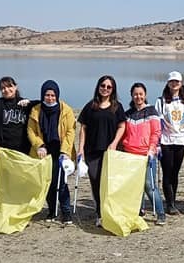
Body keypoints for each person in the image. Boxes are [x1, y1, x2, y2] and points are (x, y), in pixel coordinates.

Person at [77, 75, 126, 227]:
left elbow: (122, 126)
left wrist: (114, 143)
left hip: (110, 151)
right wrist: (80, 149)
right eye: (103, 86)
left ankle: (109, 211)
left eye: (109, 87)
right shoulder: (90, 106)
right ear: (98, 87)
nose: (105, 89)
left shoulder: (117, 107)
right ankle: (99, 212)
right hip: (92, 151)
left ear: (113, 89)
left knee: (110, 182)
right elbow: (83, 128)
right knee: (95, 181)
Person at [27, 80, 76, 224]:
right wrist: (39, 145)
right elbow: (31, 131)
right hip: (43, 153)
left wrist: (65, 151)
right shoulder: (36, 110)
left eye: (53, 95)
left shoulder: (66, 110)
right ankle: (52, 211)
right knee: (48, 183)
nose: (50, 98)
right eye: (47, 95)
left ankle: (66, 212)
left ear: (57, 95)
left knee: (61, 183)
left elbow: (70, 132)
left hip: (60, 153)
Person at [0, 76, 34, 203]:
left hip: (22, 151)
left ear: (15, 87)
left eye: (9, 86)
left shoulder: (24, 104)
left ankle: (17, 207)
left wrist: (30, 103)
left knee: (20, 180)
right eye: (3, 88)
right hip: (2, 151)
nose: (6, 90)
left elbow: (44, 104)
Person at [120, 83, 166, 225]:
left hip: (146, 154)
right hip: (130, 154)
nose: (138, 97)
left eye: (140, 94)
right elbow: (123, 133)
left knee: (149, 185)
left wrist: (152, 150)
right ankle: (139, 210)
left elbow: (156, 132)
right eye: (135, 94)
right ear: (131, 95)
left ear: (145, 95)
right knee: (135, 185)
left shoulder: (152, 111)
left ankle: (160, 213)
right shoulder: (128, 114)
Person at [154, 71, 184, 215]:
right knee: (167, 172)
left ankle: (173, 200)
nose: (174, 84)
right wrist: (157, 143)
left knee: (175, 173)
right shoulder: (161, 101)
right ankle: (169, 204)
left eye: (177, 81)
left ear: (181, 83)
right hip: (166, 141)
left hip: (180, 141)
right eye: (172, 81)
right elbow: (158, 122)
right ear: (168, 83)